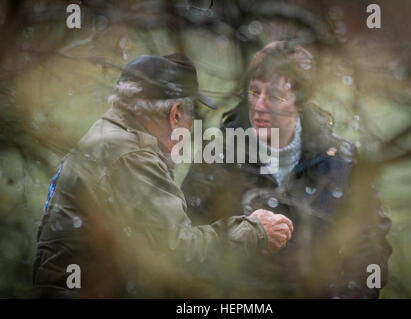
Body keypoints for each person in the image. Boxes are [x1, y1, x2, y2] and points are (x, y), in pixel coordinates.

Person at [32, 53, 294, 298]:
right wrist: (254, 229)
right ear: (176, 114)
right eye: (192, 118)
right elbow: (178, 254)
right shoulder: (131, 156)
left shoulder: (107, 138)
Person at [181, 41, 392, 298]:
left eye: (275, 96)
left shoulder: (341, 161)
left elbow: (369, 243)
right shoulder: (215, 157)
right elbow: (188, 243)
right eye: (254, 92)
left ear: (303, 100)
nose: (259, 106)